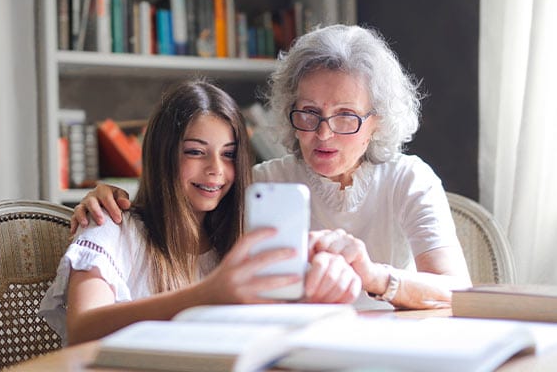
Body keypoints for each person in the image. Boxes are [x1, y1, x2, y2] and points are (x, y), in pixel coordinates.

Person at [72, 25, 473, 310]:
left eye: (346, 116)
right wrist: (109, 197)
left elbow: (457, 290)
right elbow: (179, 214)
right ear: (288, 111)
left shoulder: (408, 178)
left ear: (377, 122)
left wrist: (373, 276)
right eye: (309, 113)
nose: (323, 134)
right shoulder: (261, 183)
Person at [39, 79, 361, 345]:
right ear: (162, 155)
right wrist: (207, 294)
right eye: (195, 152)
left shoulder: (239, 240)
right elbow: (82, 328)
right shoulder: (111, 226)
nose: (216, 170)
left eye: (229, 155)